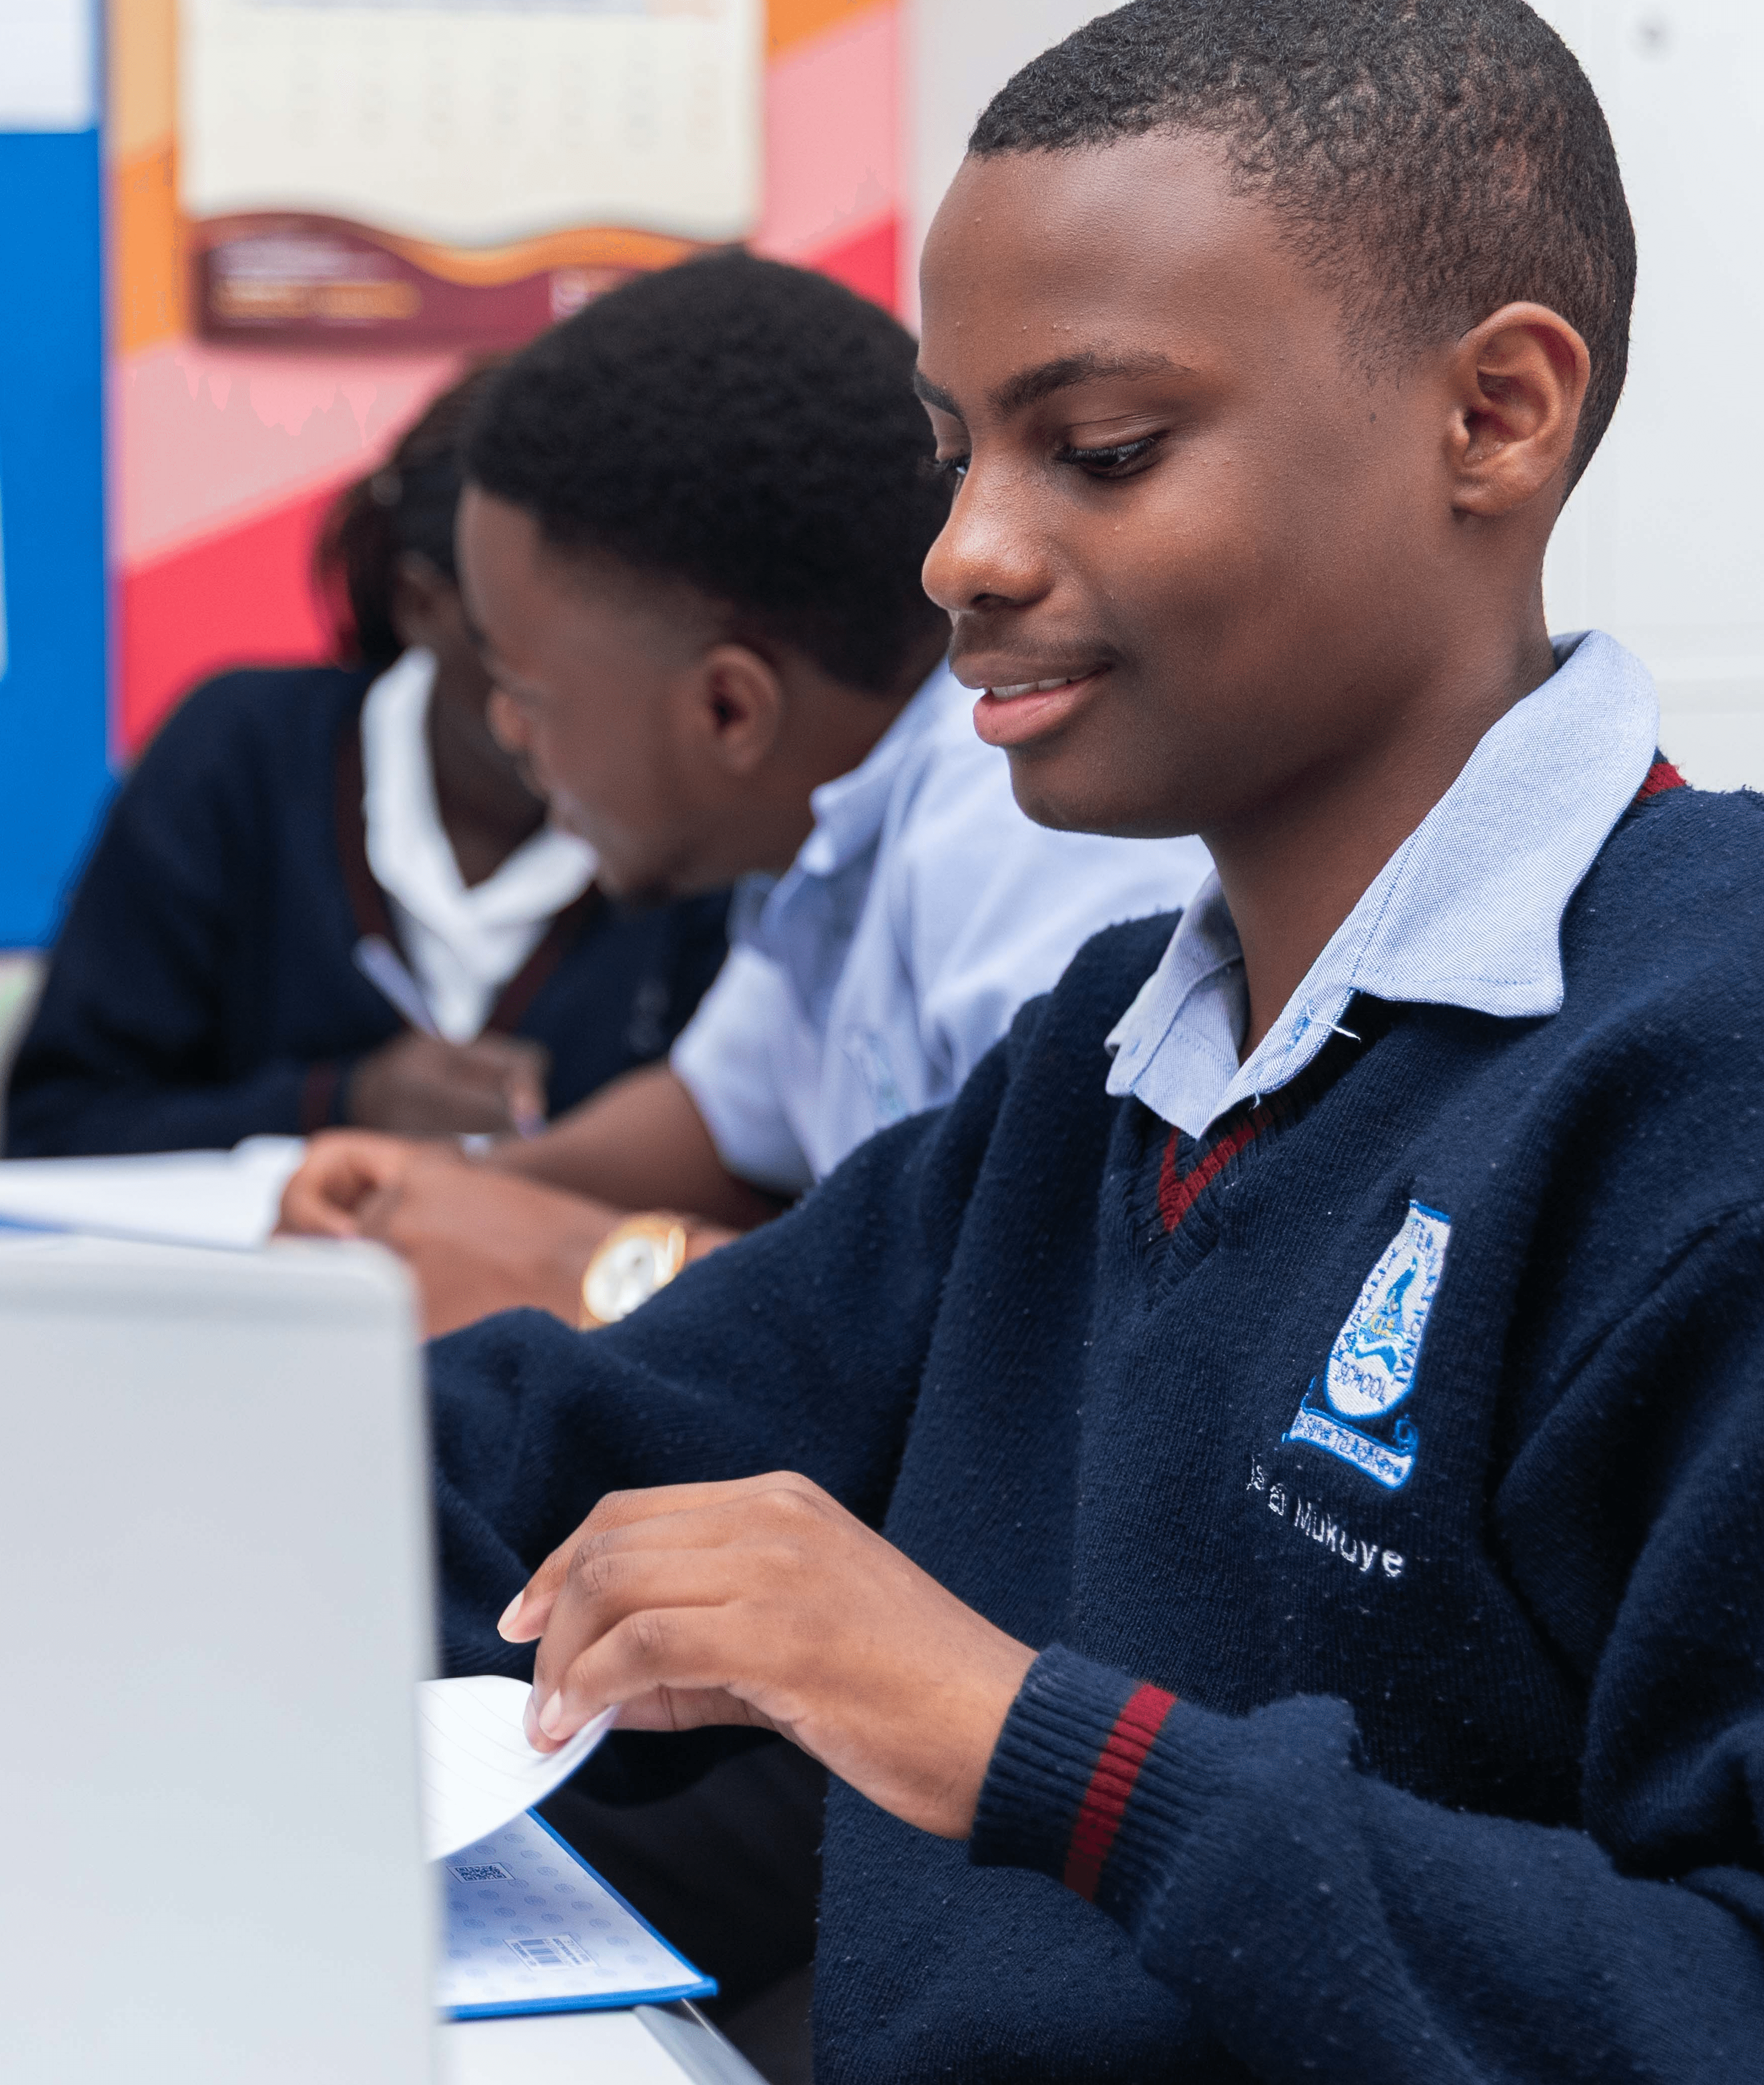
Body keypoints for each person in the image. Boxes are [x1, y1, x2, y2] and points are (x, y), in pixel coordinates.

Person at [422, 0, 1764, 2085]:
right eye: (951, 453)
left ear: (1493, 411)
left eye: (1099, 447)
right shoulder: (1142, 1051)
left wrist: (1046, 1752)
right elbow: (556, 1445)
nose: (963, 554)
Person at [278, 251, 1207, 1337]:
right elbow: (719, 1121)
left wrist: (581, 1262)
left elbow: (1030, 1335)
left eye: (527, 691)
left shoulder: (1023, 835)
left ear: (728, 710)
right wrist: (431, 1190)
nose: (506, 730)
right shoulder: (826, 843)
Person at [5, 370, 734, 1157]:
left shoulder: (711, 818)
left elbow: (760, 1153)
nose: (603, 677)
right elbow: (54, 1127)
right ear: (422, 606)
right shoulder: (238, 756)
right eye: (550, 633)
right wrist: (338, 1103)